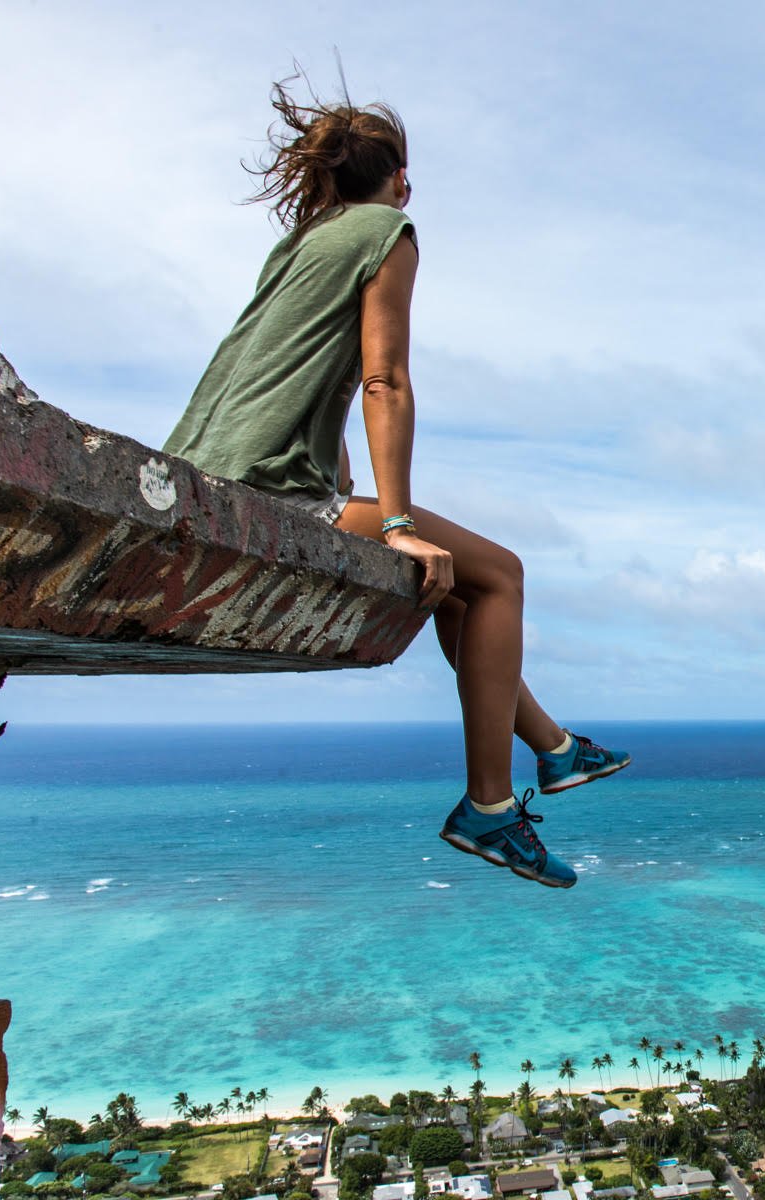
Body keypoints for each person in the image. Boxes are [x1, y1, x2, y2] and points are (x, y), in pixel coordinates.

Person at [165, 80, 628, 889]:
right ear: (401, 180)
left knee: (460, 593)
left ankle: (556, 749)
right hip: (261, 491)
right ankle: (490, 809)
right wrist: (397, 524)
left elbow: (290, 374)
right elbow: (384, 379)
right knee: (502, 573)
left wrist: (339, 469)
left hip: (209, 469)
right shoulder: (388, 232)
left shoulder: (308, 241)